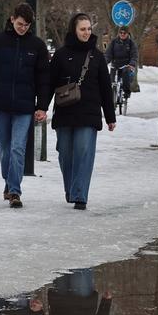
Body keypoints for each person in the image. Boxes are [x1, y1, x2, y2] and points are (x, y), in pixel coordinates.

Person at [0, 2, 50, 209]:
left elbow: (44, 77)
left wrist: (42, 105)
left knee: (18, 148)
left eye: (26, 25)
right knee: (4, 150)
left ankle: (15, 191)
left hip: (25, 106)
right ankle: (9, 182)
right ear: (12, 19)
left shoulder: (37, 46)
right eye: (20, 23)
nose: (22, 28)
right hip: (0, 103)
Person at [47, 12, 115, 211]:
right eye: (82, 29)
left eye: (88, 29)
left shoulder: (97, 57)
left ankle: (80, 195)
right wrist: (41, 107)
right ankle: (71, 189)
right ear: (73, 30)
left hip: (89, 112)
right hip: (65, 111)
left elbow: (105, 88)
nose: (86, 33)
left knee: (84, 152)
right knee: (65, 154)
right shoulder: (60, 55)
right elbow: (49, 83)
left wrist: (110, 116)